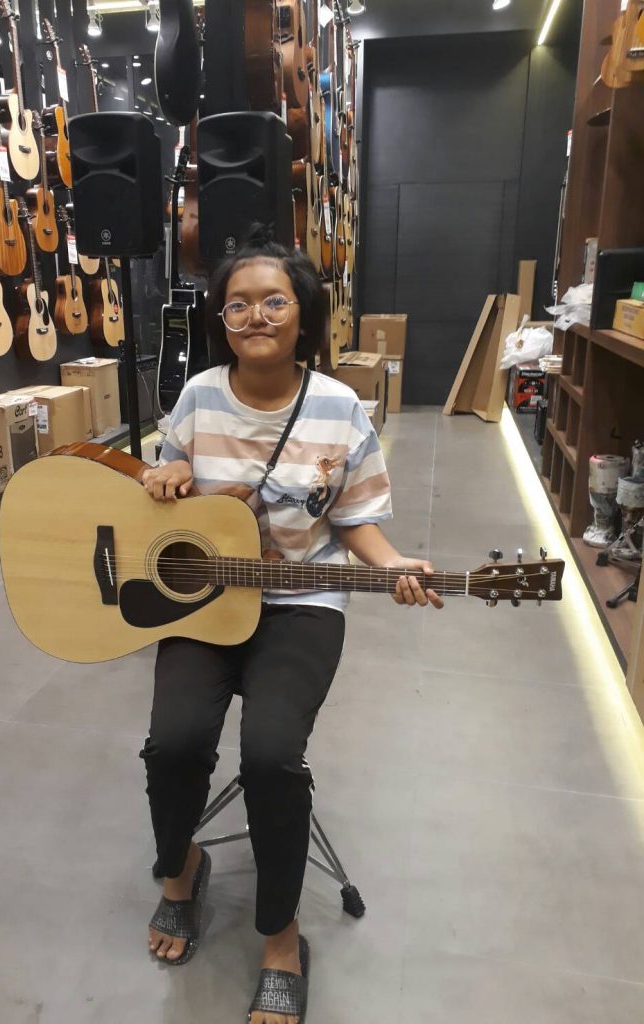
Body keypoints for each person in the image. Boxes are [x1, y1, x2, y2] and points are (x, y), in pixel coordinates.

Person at [139, 226, 443, 1024]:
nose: (256, 316)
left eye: (273, 301)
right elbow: (161, 480)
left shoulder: (340, 407)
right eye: (237, 304)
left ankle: (280, 935)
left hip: (301, 602)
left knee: (272, 756)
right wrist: (167, 474)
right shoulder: (199, 394)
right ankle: (180, 868)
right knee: (173, 743)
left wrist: (392, 565)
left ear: (304, 314)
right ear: (221, 319)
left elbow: (356, 520)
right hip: (207, 601)